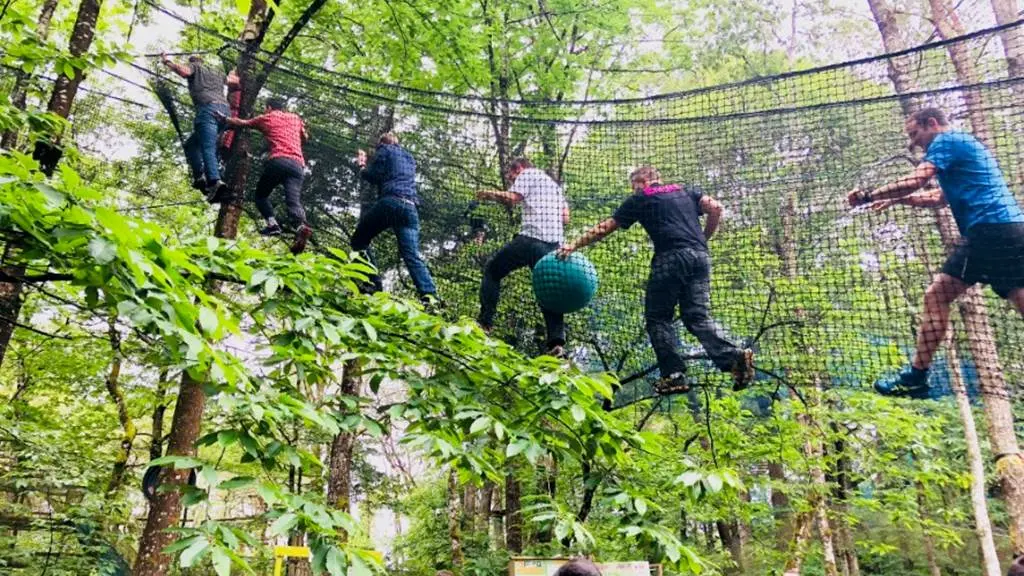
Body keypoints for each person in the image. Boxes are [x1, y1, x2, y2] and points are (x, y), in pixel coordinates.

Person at [848, 107, 1024, 398]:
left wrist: (870, 195)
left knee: (937, 296)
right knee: (1012, 296)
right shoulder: (963, 147)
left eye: (915, 134)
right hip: (1005, 230)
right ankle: (916, 377)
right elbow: (938, 197)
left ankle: (916, 377)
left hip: (990, 230)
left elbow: (918, 179)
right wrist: (898, 200)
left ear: (931, 124)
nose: (913, 143)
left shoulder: (947, 141)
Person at [557, 166, 754, 394]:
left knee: (658, 318)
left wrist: (574, 245)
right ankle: (734, 357)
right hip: (700, 258)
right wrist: (703, 238)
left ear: (641, 182)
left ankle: (673, 375)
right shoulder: (687, 190)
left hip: (670, 258)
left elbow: (605, 227)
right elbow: (716, 208)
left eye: (634, 185)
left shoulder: (641, 198)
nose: (633, 189)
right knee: (697, 316)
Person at [476, 158, 570, 357]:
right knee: (547, 290)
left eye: (511, 176)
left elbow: (512, 198)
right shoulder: (554, 186)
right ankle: (557, 343)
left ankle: (485, 323)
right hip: (553, 245)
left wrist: (489, 194)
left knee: (493, 271)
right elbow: (565, 218)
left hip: (530, 239)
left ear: (518, 168)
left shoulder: (528, 174)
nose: (511, 180)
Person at [217, 97, 313, 254]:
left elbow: (243, 123)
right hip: (297, 165)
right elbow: (305, 137)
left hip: (278, 161)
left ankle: (272, 224)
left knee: (261, 196)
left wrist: (224, 118)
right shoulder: (295, 118)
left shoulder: (266, 118)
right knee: (293, 201)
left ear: (268, 107)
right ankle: (301, 226)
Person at [352, 133, 439, 303]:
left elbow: (374, 176)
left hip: (391, 202)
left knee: (359, 241)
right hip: (410, 208)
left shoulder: (385, 150)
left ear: (381, 144)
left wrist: (362, 166)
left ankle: (374, 283)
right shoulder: (409, 157)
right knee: (412, 255)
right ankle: (430, 297)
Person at [161, 53, 230, 198]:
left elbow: (184, 72)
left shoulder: (195, 67)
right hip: (224, 112)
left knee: (208, 147)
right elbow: (233, 81)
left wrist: (168, 61)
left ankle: (214, 181)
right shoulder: (216, 72)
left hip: (208, 109)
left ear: (192, 61)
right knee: (192, 144)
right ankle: (200, 176)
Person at [218, 69, 242, 156]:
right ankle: (223, 147)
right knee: (226, 128)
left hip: (234, 111)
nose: (230, 75)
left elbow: (231, 80)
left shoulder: (237, 82)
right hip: (231, 109)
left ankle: (225, 147)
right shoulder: (232, 88)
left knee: (230, 127)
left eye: (231, 74)